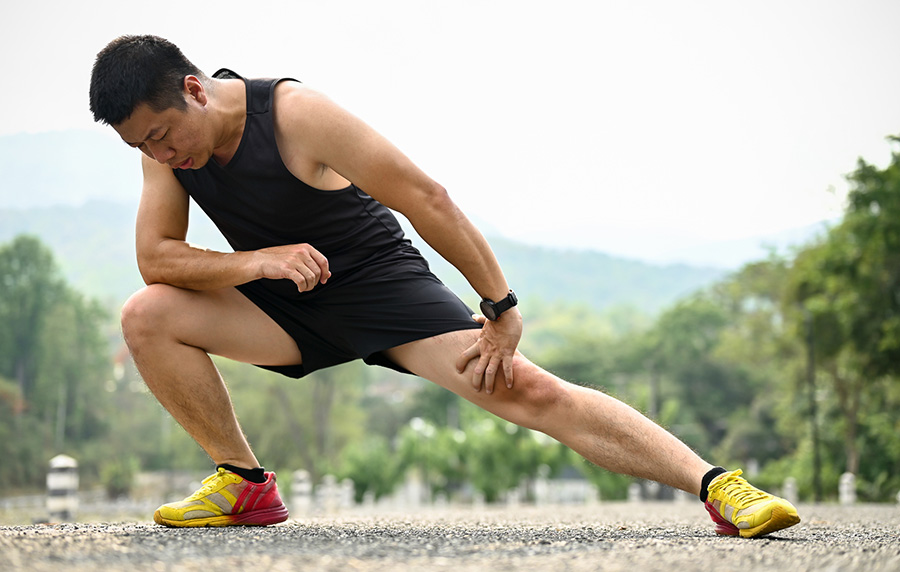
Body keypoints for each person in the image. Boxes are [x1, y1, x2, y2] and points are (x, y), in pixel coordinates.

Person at [89, 35, 800, 538]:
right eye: (141, 145)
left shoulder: (296, 115)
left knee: (529, 390)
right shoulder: (168, 153)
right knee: (147, 314)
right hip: (282, 300)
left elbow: (427, 199)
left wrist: (501, 307)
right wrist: (256, 262)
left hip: (377, 283)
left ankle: (720, 487)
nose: (159, 153)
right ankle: (244, 484)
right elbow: (157, 258)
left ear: (194, 90)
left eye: (161, 134)